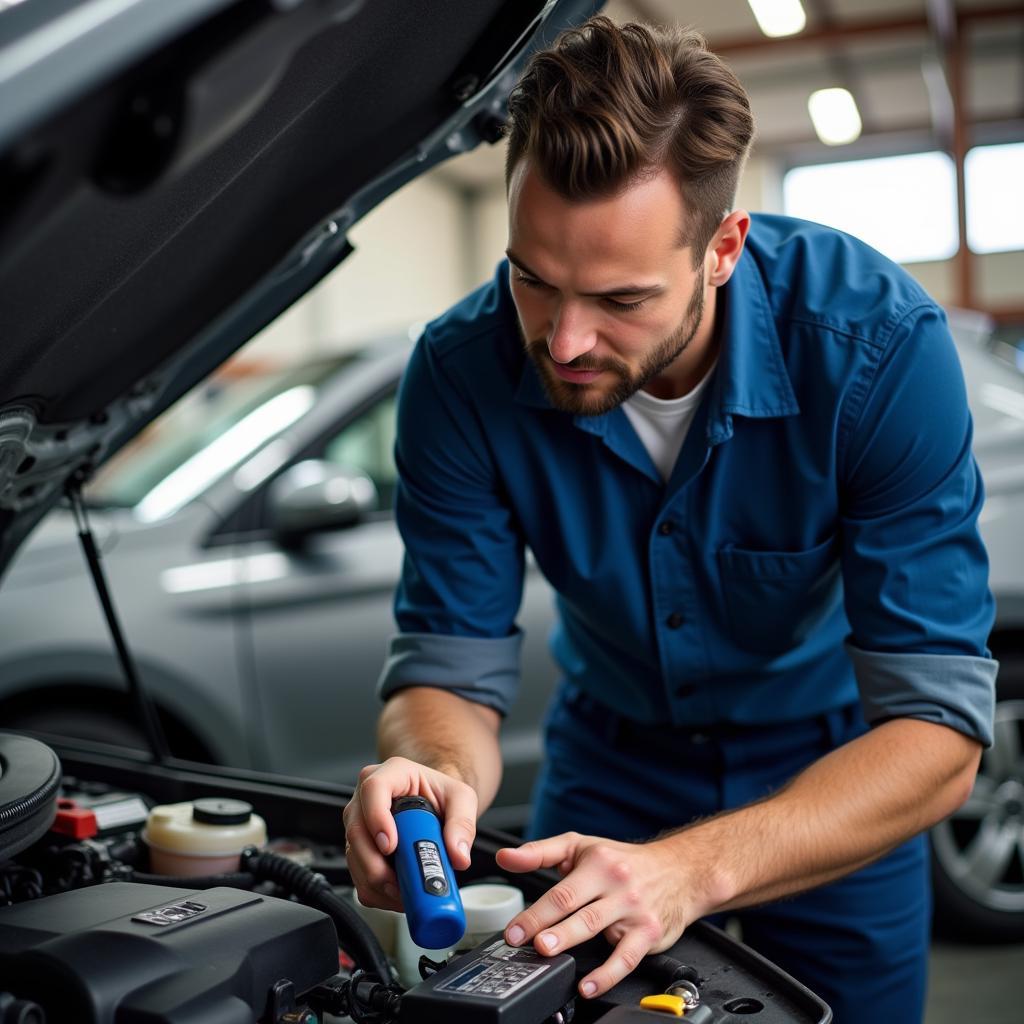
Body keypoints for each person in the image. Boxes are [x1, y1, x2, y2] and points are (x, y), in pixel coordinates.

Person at [342, 16, 996, 1021]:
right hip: (608, 758)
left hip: (832, 770)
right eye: (531, 278)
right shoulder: (457, 372)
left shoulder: (879, 350)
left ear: (723, 247)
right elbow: (448, 662)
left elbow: (935, 730)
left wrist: (694, 868)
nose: (562, 341)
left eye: (619, 298)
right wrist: (431, 776)